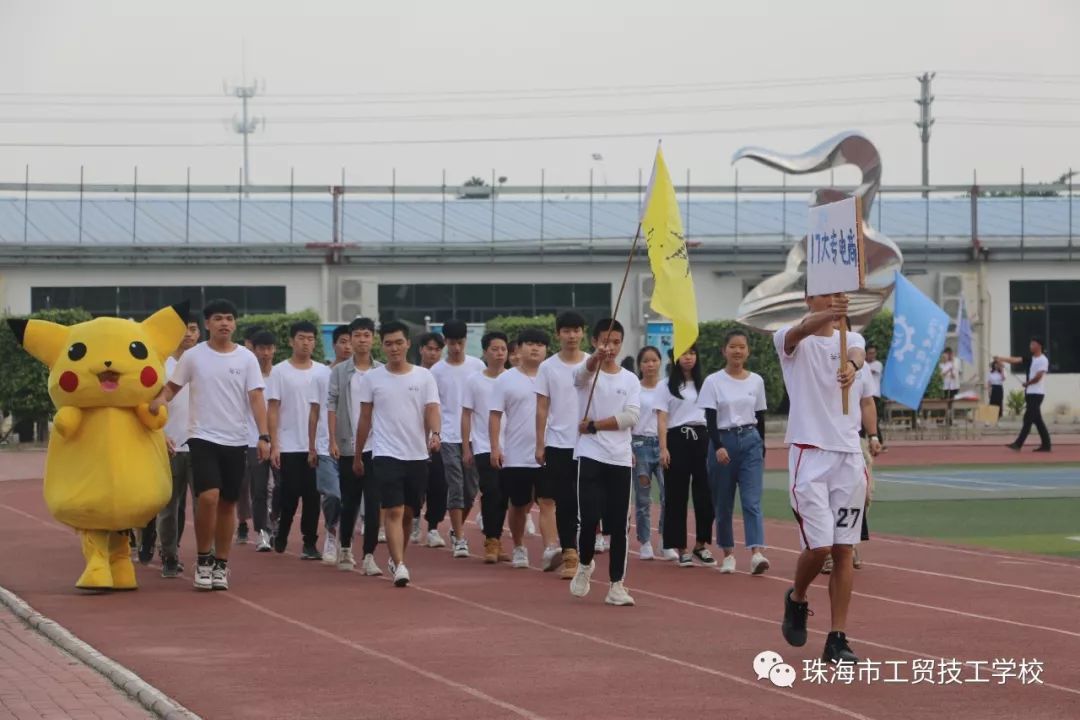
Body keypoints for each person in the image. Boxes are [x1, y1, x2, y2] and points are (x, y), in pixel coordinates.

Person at [775, 291, 881, 664]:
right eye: (828, 294)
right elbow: (801, 330)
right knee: (819, 547)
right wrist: (826, 315)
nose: (836, 300)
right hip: (810, 454)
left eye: (840, 295)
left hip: (848, 457)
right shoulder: (791, 339)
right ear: (809, 298)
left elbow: (856, 352)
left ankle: (837, 638)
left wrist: (851, 366)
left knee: (843, 549)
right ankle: (797, 597)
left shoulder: (852, 339)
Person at [149, 299, 270, 592]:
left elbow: (256, 398)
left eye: (229, 318)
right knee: (208, 497)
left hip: (236, 439)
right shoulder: (194, 357)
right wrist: (158, 401)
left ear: (235, 324)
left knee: (228, 503)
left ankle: (221, 564)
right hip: (202, 437)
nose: (224, 323)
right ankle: (204, 559)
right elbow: (172, 388)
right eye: (218, 318)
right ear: (207, 324)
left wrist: (264, 436)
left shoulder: (246, 358)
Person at [353, 321, 442, 587]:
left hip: (416, 454)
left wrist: (435, 433)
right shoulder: (372, 379)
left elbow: (432, 408)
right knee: (393, 509)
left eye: (399, 343)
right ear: (382, 346)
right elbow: (365, 418)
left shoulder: (423, 377)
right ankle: (400, 564)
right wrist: (358, 454)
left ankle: (396, 557)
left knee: (409, 512)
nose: (394, 348)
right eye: (389, 344)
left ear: (408, 344)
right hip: (385, 453)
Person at [569, 319, 640, 606]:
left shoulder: (630, 380)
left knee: (619, 525)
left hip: (619, 458)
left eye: (615, 342)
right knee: (588, 519)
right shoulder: (587, 372)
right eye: (605, 341)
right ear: (595, 342)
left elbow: (631, 417)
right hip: (591, 455)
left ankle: (616, 585)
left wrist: (595, 425)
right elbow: (579, 377)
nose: (610, 347)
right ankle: (584, 564)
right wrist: (594, 360)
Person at [699, 330, 769, 575]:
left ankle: (756, 553)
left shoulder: (756, 381)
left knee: (752, 501)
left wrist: (761, 446)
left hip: (750, 440)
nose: (737, 351)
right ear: (724, 350)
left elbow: (760, 416)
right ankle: (728, 553)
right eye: (732, 346)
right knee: (723, 502)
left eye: (742, 347)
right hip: (723, 441)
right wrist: (718, 446)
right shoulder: (713, 381)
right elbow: (710, 418)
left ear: (748, 351)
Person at [322, 317, 383, 574]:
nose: (361, 340)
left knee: (374, 503)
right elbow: (331, 404)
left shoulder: (381, 371)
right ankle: (345, 546)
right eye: (357, 335)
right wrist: (333, 439)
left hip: (377, 446)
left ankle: (369, 555)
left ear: (373, 339)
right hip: (348, 445)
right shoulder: (339, 372)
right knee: (350, 501)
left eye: (366, 335)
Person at [267, 321, 331, 561]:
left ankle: (309, 542)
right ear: (291, 341)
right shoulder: (279, 371)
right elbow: (273, 409)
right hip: (289, 444)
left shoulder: (323, 372)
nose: (306, 343)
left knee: (313, 496)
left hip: (316, 445)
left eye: (310, 339)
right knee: (289, 494)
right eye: (301, 338)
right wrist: (274, 444)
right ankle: (282, 532)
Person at [535, 311, 590, 577]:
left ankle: (586, 550)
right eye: (566, 331)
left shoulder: (592, 363)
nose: (571, 336)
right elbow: (542, 406)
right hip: (558, 443)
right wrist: (540, 443)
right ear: (558, 334)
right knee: (564, 500)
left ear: (583, 333)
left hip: (589, 443)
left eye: (576, 330)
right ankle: (570, 554)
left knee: (587, 499)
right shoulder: (548, 367)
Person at [490, 329, 549, 569]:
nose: (535, 348)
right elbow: (495, 415)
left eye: (540, 344)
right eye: (530, 344)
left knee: (548, 501)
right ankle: (518, 546)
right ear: (519, 348)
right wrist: (495, 447)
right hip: (516, 453)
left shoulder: (552, 375)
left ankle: (550, 548)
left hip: (549, 451)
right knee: (518, 503)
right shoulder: (506, 379)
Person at [657, 345, 716, 568]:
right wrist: (663, 448)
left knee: (706, 494)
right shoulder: (666, 386)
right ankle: (680, 548)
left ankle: (701, 544)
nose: (688, 358)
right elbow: (662, 419)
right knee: (676, 496)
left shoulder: (706, 384)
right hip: (677, 439)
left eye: (692, 353)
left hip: (702, 439)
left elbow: (713, 415)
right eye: (683, 353)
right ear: (675, 357)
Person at [431, 320, 486, 558]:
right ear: (445, 342)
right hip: (448, 435)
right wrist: (433, 434)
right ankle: (461, 538)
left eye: (460, 343)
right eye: (452, 343)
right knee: (455, 483)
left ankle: (456, 528)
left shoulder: (477, 366)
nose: (456, 348)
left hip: (474, 435)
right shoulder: (436, 371)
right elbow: (432, 405)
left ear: (466, 341)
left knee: (471, 489)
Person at [156, 314, 201, 578]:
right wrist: (161, 435)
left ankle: (207, 557)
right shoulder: (161, 365)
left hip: (201, 445)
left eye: (193, 329)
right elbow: (150, 404)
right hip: (170, 446)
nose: (188, 334)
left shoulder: (204, 362)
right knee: (168, 508)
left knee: (204, 505)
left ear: (199, 333)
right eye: (183, 329)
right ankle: (169, 556)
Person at [462, 331, 511, 563]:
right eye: (494, 349)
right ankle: (491, 540)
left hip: (511, 446)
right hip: (483, 445)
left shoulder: (513, 378)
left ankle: (497, 538)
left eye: (503, 349)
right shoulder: (474, 381)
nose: (500, 353)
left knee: (504, 495)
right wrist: (466, 447)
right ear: (484, 352)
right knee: (491, 491)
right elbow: (466, 414)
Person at [631, 346, 669, 561]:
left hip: (663, 445)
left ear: (660, 362)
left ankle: (665, 539)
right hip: (640, 445)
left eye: (654, 360)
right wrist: (629, 448)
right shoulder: (634, 388)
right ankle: (645, 541)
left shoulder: (667, 388)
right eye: (646, 361)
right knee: (643, 498)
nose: (650, 364)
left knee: (668, 495)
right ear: (640, 365)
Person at [245, 331, 279, 552]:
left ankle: (275, 521)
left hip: (280, 441)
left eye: (269, 348)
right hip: (253, 440)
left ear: (274, 349)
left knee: (281, 488)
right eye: (261, 349)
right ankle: (262, 532)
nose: (265, 353)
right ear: (254, 350)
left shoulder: (280, 374)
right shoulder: (248, 376)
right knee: (258, 489)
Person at [414, 331, 449, 547]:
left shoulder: (444, 375)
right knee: (416, 484)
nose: (433, 353)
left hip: (439, 437)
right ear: (421, 350)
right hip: (414, 437)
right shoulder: (412, 374)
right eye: (429, 349)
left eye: (437, 349)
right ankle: (414, 519)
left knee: (439, 484)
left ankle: (433, 527)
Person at [999, 338, 1052, 452]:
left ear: (1039, 346)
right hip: (1029, 393)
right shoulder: (1030, 359)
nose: (1030, 346)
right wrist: (1001, 358)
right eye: (1030, 344)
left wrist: (1028, 383)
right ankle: (1046, 445)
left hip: (1037, 393)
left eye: (1033, 344)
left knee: (1028, 419)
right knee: (1037, 420)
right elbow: (1015, 360)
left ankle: (1018, 444)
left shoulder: (1043, 360)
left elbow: (1038, 377)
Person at [864, 344, 885, 448]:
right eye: (869, 353)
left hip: (874, 395)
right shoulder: (863, 364)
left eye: (873, 353)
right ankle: (863, 441)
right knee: (862, 419)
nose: (872, 355)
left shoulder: (877, 364)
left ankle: (878, 441)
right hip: (864, 395)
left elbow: (868, 371)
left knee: (872, 419)